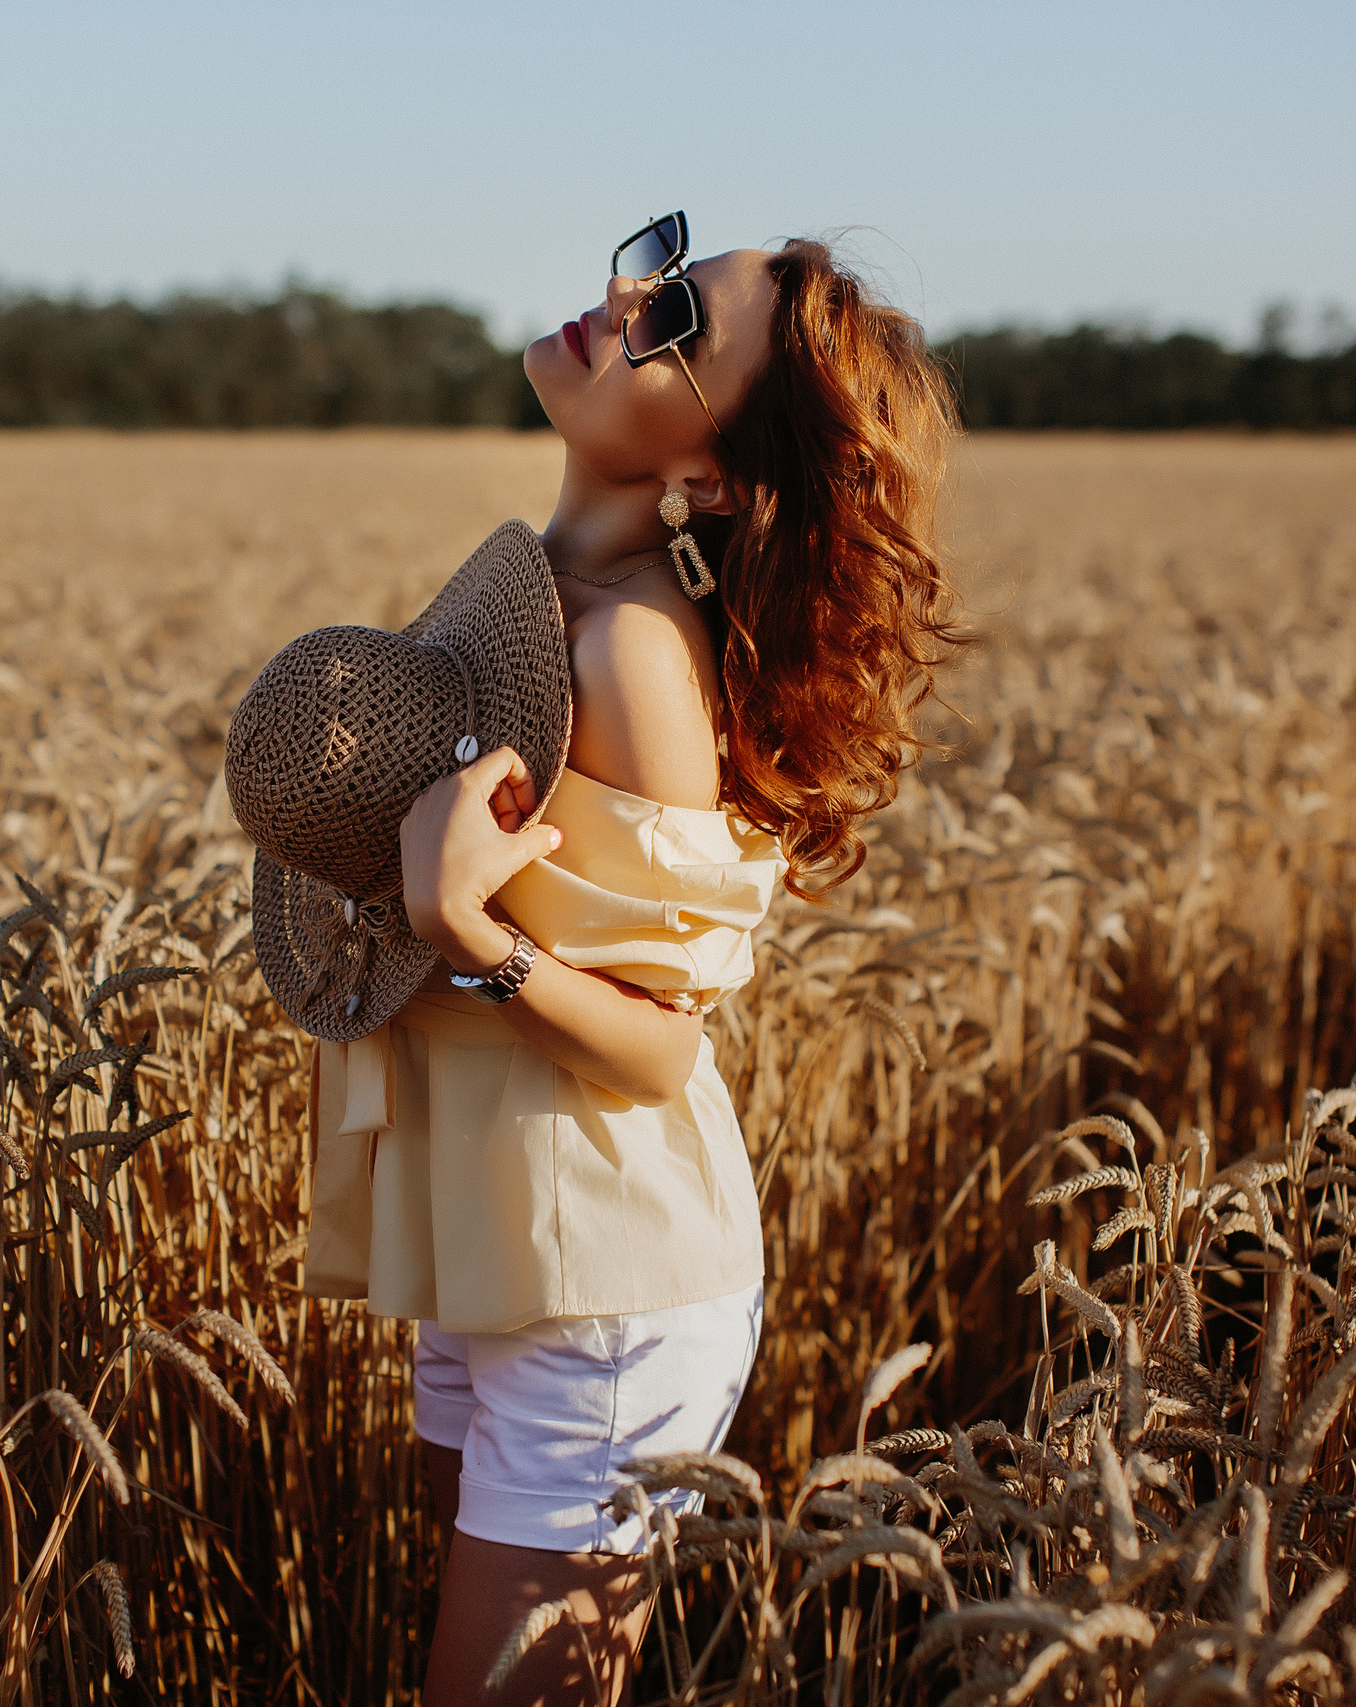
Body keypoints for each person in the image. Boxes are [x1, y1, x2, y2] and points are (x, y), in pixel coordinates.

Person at [226, 214, 966, 1704]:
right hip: (508, 1243)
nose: (627, 293)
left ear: (708, 472)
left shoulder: (625, 655)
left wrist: (464, 936)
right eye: (660, 262)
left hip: (605, 1283)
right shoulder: (524, 595)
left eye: (679, 313)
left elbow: (660, 1046)